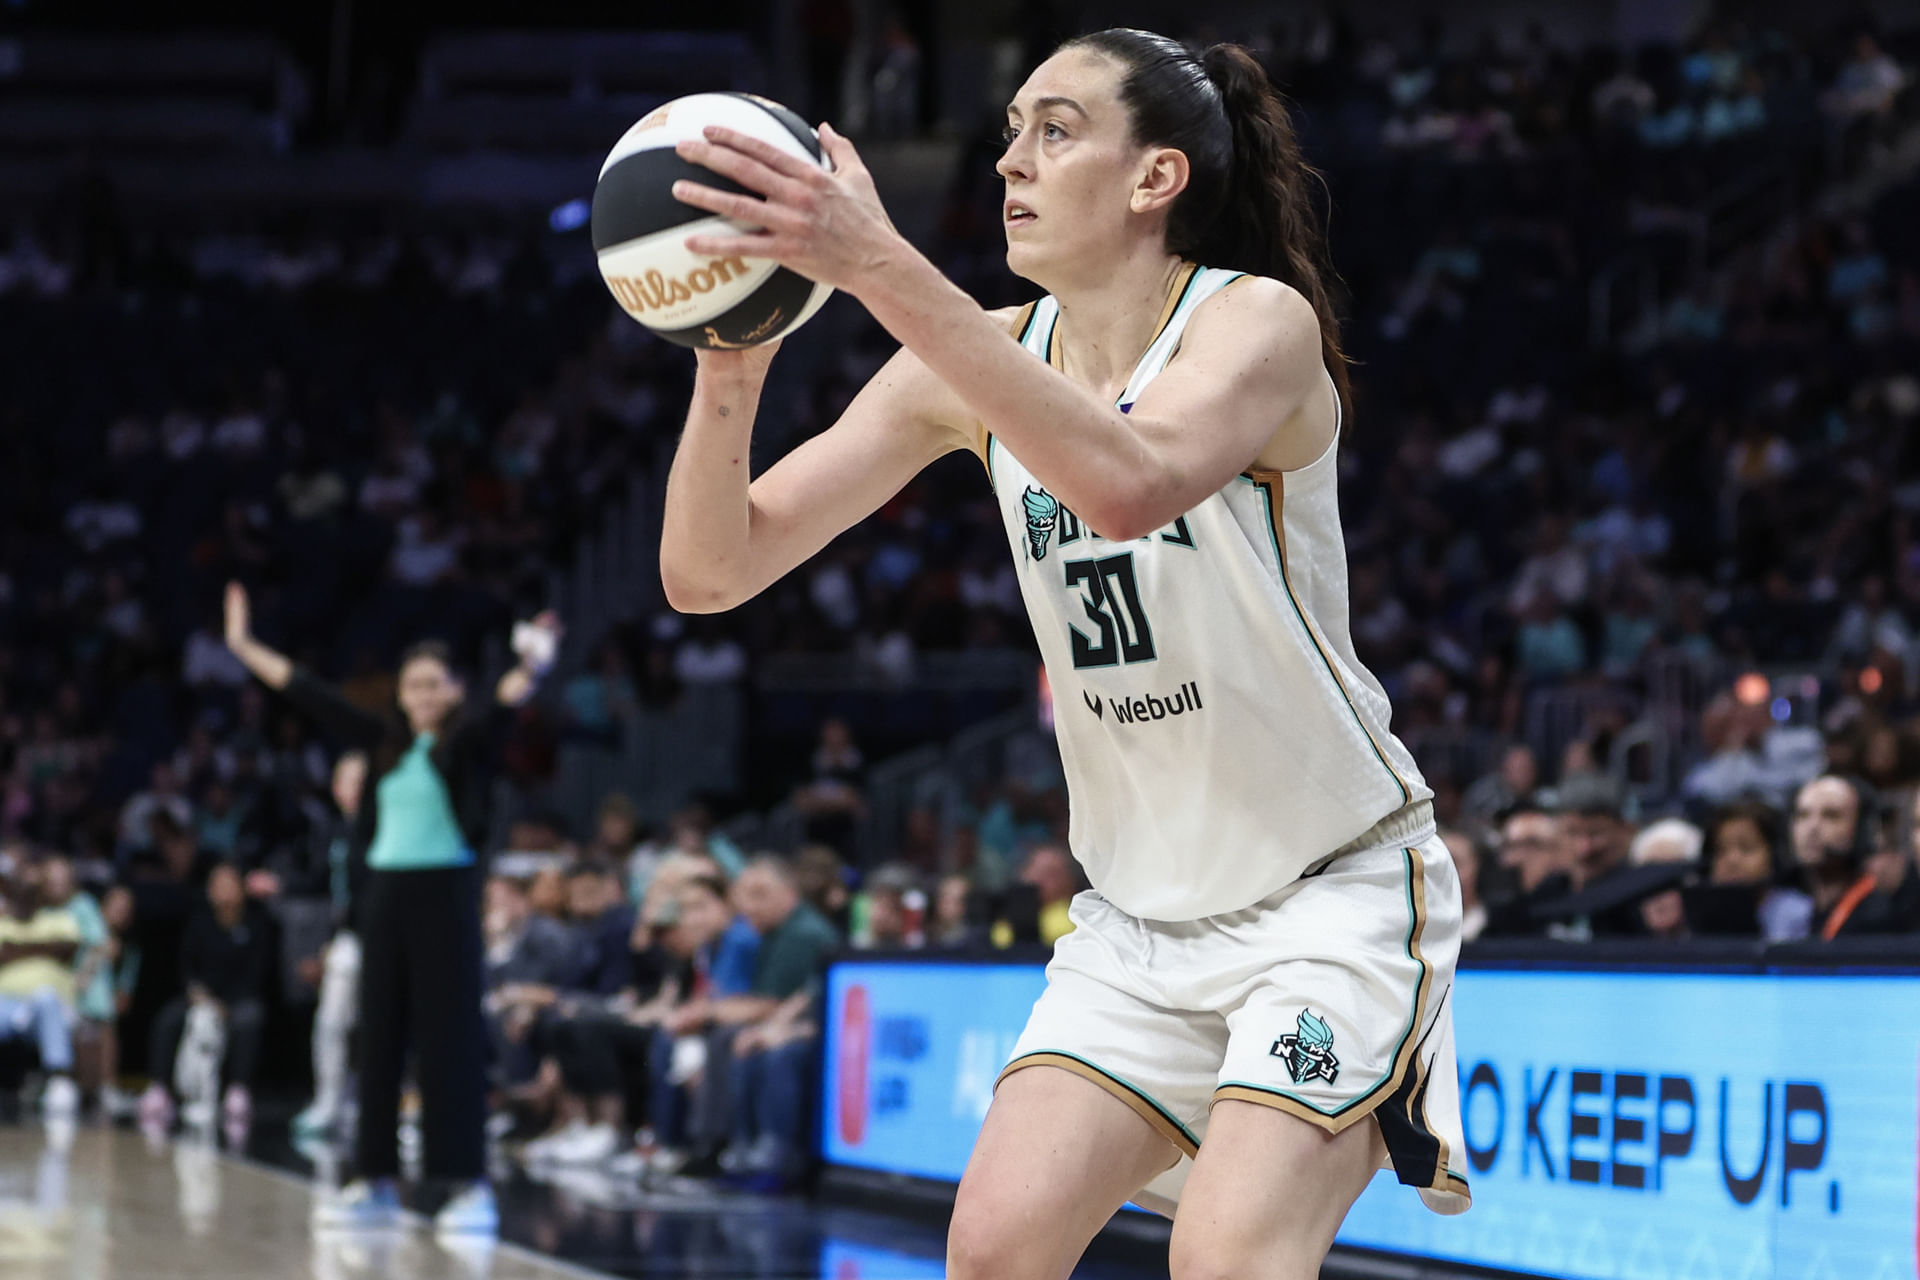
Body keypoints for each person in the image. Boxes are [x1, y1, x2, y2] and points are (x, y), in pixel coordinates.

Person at [658, 28, 1468, 1274]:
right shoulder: (974, 363)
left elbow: (1129, 483)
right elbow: (711, 572)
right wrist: (735, 360)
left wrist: (876, 262)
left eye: (1054, 129)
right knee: (990, 1250)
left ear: (1156, 180)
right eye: (1008, 135)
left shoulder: (1257, 324)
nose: (1009, 164)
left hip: (1331, 897)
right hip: (1140, 925)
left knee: (1225, 1261)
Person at [222, 581, 560, 1237]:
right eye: (413, 687)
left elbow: (507, 706)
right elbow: (307, 690)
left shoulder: (463, 745)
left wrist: (532, 665)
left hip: (447, 894)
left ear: (455, 689)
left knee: (450, 1042)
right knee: (375, 1041)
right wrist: (241, 644)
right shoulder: (380, 740)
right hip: (385, 895)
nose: (423, 697)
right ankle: (372, 1181)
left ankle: (466, 1187)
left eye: (435, 685)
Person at [140, 862, 274, 1130]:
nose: (224, 891)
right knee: (169, 1019)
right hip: (203, 997)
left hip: (239, 999)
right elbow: (187, 968)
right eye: (218, 885)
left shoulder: (257, 924)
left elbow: (259, 972)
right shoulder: (199, 923)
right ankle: (160, 1088)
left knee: (249, 1019)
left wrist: (226, 1004)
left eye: (230, 884)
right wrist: (199, 994)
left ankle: (238, 1090)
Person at [292, 750, 370, 1142]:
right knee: (332, 1021)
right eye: (347, 780)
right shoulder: (332, 831)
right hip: (347, 939)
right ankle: (329, 1101)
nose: (354, 789)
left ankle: (375, 1103)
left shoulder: (384, 828)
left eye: (362, 780)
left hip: (384, 939)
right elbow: (320, 884)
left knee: (378, 1025)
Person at [0, 857, 82, 1119]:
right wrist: (43, 948)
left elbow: (66, 949)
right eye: (20, 890)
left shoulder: (60, 918)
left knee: (45, 997)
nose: (25, 896)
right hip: (7, 1006)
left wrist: (18, 949)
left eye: (31, 891)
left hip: (46, 1009)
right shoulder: (3, 922)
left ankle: (59, 1077)